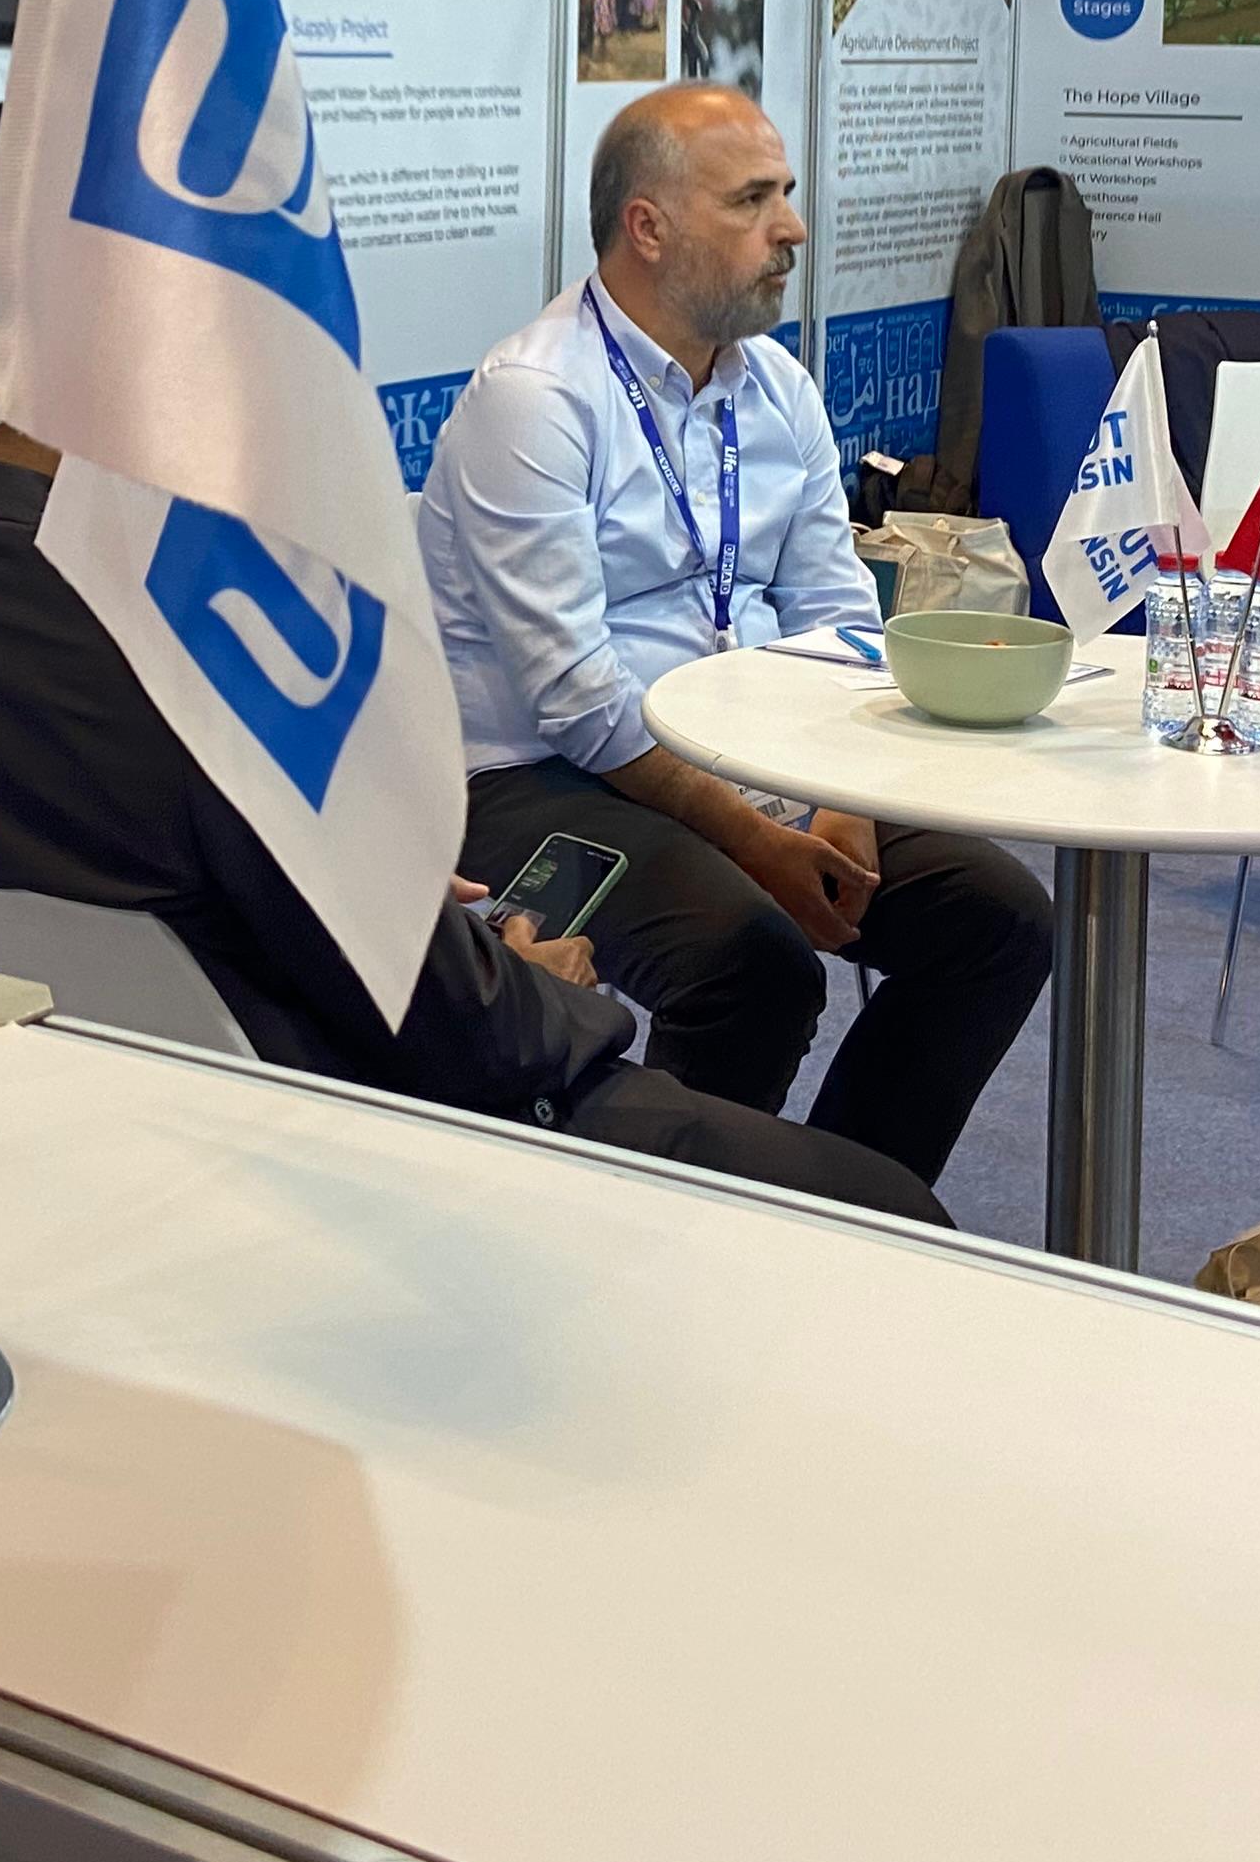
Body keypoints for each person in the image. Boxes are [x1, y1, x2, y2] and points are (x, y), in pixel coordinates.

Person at [0, 191, 949, 1228]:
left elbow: (70, 882)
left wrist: (368, 891)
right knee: (895, 1216)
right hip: (360, 1135)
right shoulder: (210, 630)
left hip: (110, 1106)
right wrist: (539, 989)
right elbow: (466, 1029)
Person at [419, 87, 1057, 1193]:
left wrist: (843, 797)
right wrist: (759, 840)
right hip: (536, 777)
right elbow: (576, 698)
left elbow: (839, 616)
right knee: (749, 962)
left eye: (786, 195)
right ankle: (668, 1225)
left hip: (750, 751)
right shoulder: (534, 399)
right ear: (649, 227)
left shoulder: (777, 389)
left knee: (998, 920)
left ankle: (848, 1206)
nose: (792, 229)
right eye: (753, 201)